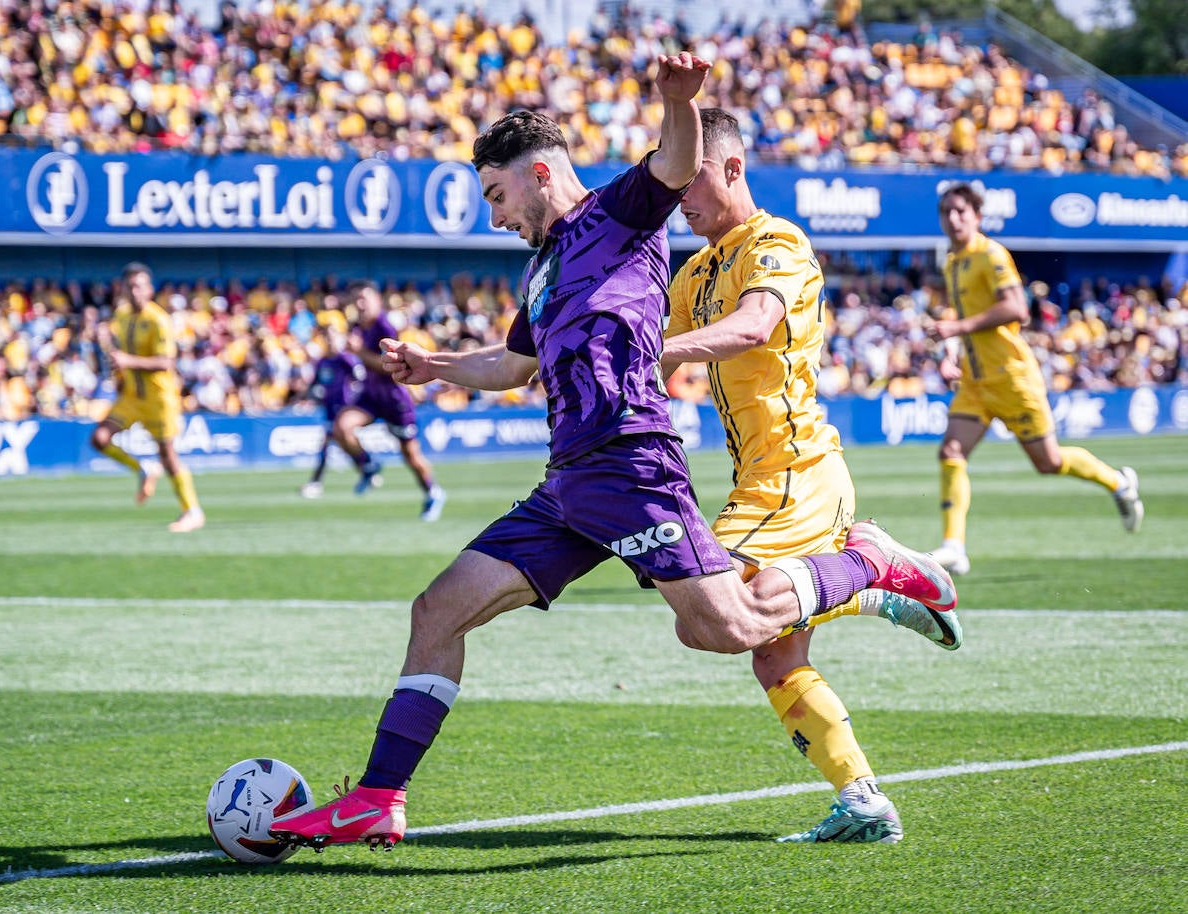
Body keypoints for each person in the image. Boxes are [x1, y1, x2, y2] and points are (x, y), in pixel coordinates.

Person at [266, 53, 955, 853]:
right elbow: (514, 366)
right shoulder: (541, 272)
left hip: (631, 464)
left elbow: (674, 164)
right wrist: (437, 367)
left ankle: (865, 561)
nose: (494, 217)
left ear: (539, 174)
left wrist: (677, 100)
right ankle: (379, 797)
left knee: (728, 627)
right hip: (567, 485)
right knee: (437, 610)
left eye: (497, 196)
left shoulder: (617, 217)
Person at [662, 108, 961, 845]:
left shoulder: (779, 243)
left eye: (691, 178)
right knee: (775, 655)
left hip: (798, 475)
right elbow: (663, 353)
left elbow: (753, 327)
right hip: (761, 481)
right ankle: (863, 800)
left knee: (709, 616)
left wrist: (657, 354)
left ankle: (869, 566)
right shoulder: (694, 269)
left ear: (732, 167)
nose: (680, 195)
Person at [928, 184, 1143, 575]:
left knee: (1049, 461)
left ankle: (1119, 482)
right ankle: (954, 546)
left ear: (977, 216)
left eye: (961, 211)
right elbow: (957, 317)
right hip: (975, 383)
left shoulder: (990, 254)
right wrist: (950, 353)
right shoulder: (953, 261)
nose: (953, 219)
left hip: (1011, 377)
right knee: (951, 451)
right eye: (946, 212)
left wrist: (957, 326)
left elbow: (1017, 308)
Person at [89, 262, 204, 533]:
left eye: (139, 285)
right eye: (130, 286)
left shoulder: (159, 320)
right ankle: (143, 468)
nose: (135, 291)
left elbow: (166, 362)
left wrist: (127, 361)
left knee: (168, 454)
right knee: (99, 439)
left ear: (149, 289)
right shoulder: (122, 316)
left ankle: (192, 511)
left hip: (158, 398)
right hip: (130, 396)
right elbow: (118, 355)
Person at [333, 282, 447, 521]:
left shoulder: (384, 326)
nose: (360, 304)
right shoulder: (356, 327)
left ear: (377, 301)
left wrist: (360, 352)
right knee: (342, 428)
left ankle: (433, 492)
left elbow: (389, 367)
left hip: (394, 398)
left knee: (411, 455)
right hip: (370, 396)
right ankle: (369, 466)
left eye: (365, 298)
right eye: (357, 299)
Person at [300, 327, 366, 499]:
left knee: (326, 445)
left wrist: (356, 397)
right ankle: (367, 468)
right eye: (327, 338)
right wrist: (309, 396)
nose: (330, 341)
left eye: (333, 338)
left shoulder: (345, 359)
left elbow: (361, 378)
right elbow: (315, 384)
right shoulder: (322, 362)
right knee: (344, 445)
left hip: (343, 410)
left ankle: (316, 483)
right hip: (328, 410)